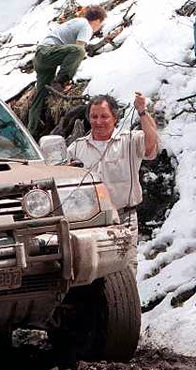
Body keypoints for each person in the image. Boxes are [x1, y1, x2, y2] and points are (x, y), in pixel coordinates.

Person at [67, 92, 159, 275]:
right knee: (91, 274)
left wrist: (142, 112)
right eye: (94, 116)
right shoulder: (76, 148)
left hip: (124, 218)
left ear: (115, 118)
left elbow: (151, 145)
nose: (98, 121)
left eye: (104, 116)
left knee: (127, 271)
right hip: (88, 223)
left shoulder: (130, 140)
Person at [28, 5, 107, 136]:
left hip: (41, 56)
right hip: (48, 53)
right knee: (79, 51)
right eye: (100, 24)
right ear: (97, 20)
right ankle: (60, 81)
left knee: (40, 94)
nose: (99, 28)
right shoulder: (86, 26)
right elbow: (79, 49)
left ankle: (32, 131)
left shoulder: (76, 21)